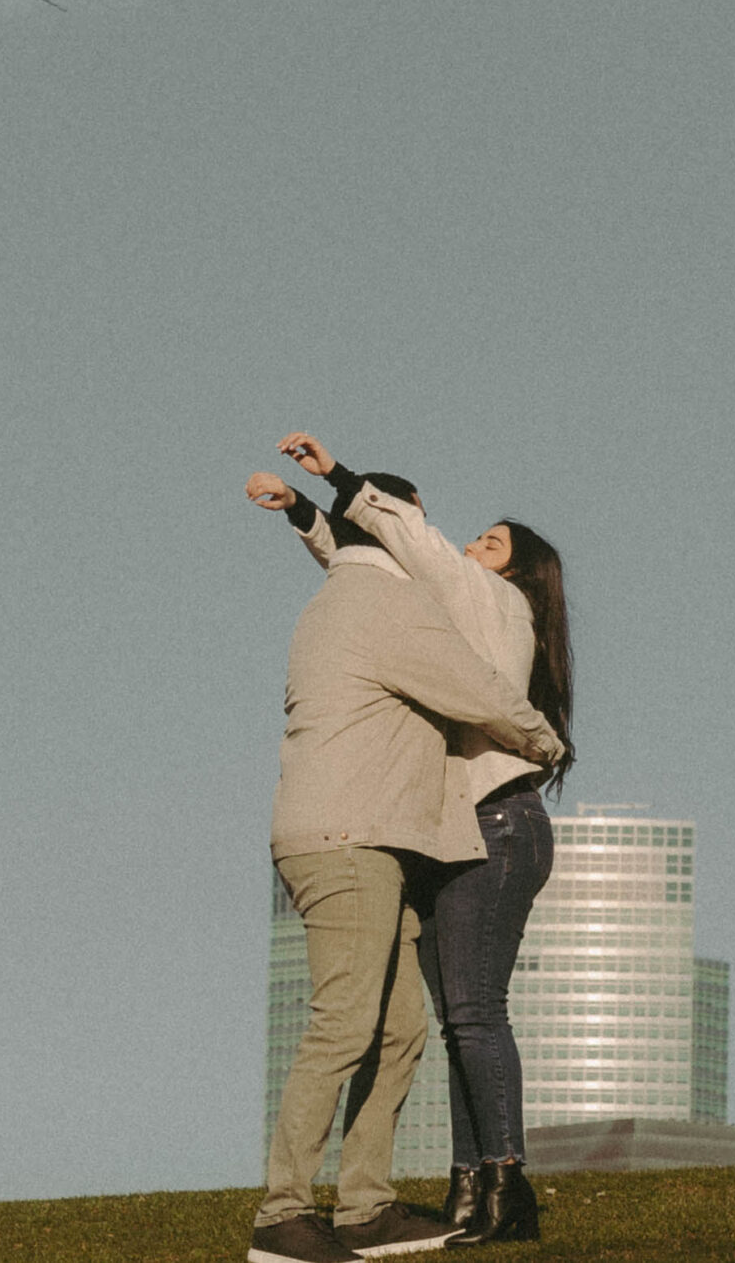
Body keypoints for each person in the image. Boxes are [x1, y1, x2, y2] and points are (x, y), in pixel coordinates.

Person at [258, 435, 572, 1248]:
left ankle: (416, 1197)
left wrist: (324, 489)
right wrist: (311, 503)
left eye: (489, 543)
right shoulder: (395, 602)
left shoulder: (479, 599)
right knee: (396, 1020)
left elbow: (384, 549)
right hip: (376, 834)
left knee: (429, 1022)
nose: (464, 545)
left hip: (455, 824)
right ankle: (293, 1213)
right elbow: (373, 555)